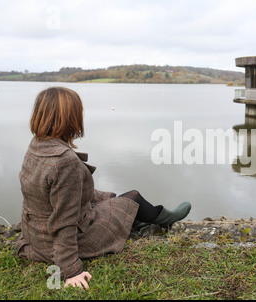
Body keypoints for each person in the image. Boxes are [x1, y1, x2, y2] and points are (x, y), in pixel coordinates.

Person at [16, 87, 191, 289]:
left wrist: (108, 197)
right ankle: (162, 219)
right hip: (70, 240)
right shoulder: (64, 161)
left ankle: (141, 218)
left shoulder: (37, 145)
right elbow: (64, 221)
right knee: (133, 197)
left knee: (117, 199)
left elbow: (51, 197)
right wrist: (71, 270)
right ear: (70, 117)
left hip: (36, 235)